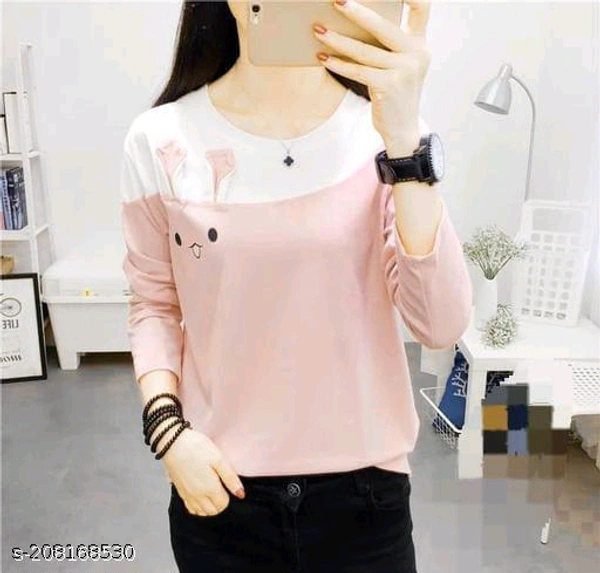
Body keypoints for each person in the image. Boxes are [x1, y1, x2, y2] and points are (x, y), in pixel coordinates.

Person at [119, 1, 473, 571]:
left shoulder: (387, 133)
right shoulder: (161, 139)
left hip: (366, 498)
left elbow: (440, 323)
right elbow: (154, 304)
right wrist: (168, 432)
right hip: (219, 487)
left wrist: (406, 138)